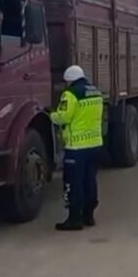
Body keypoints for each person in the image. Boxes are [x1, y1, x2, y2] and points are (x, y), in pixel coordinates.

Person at [49, 65, 104, 231]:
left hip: (77, 147)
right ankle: (89, 215)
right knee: (90, 180)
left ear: (69, 80)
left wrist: (50, 115)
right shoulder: (96, 92)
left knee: (73, 182)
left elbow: (63, 117)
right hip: (94, 144)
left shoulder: (71, 94)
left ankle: (74, 219)